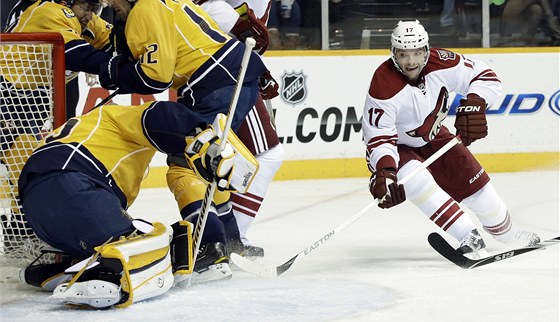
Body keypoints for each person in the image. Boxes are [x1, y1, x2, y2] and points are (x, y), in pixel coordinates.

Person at [17, 100, 255, 308]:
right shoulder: (112, 116)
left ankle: (63, 270)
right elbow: (157, 114)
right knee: (151, 241)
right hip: (74, 185)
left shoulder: (85, 133)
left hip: (37, 211)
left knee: (115, 240)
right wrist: (202, 138)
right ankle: (107, 276)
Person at [99, 0, 268, 280]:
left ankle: (211, 249)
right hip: (232, 75)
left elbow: (156, 78)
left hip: (217, 82)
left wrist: (115, 73)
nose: (109, 4)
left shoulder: (145, 9)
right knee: (211, 162)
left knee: (187, 162)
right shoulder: (166, 2)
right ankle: (230, 241)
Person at [362, 20, 541, 258]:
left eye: (416, 53)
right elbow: (379, 136)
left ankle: (507, 233)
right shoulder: (383, 84)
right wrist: (385, 171)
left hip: (434, 137)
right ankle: (467, 234)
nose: (411, 61)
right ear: (393, 53)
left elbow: (485, 76)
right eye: (403, 54)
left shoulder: (442, 62)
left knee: (481, 192)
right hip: (397, 147)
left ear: (426, 50)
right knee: (413, 178)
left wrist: (476, 103)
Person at [190, 0, 284, 258]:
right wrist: (251, 60)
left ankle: (213, 238)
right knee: (265, 154)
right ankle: (229, 240)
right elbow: (202, 8)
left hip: (221, 68)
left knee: (214, 157)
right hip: (228, 73)